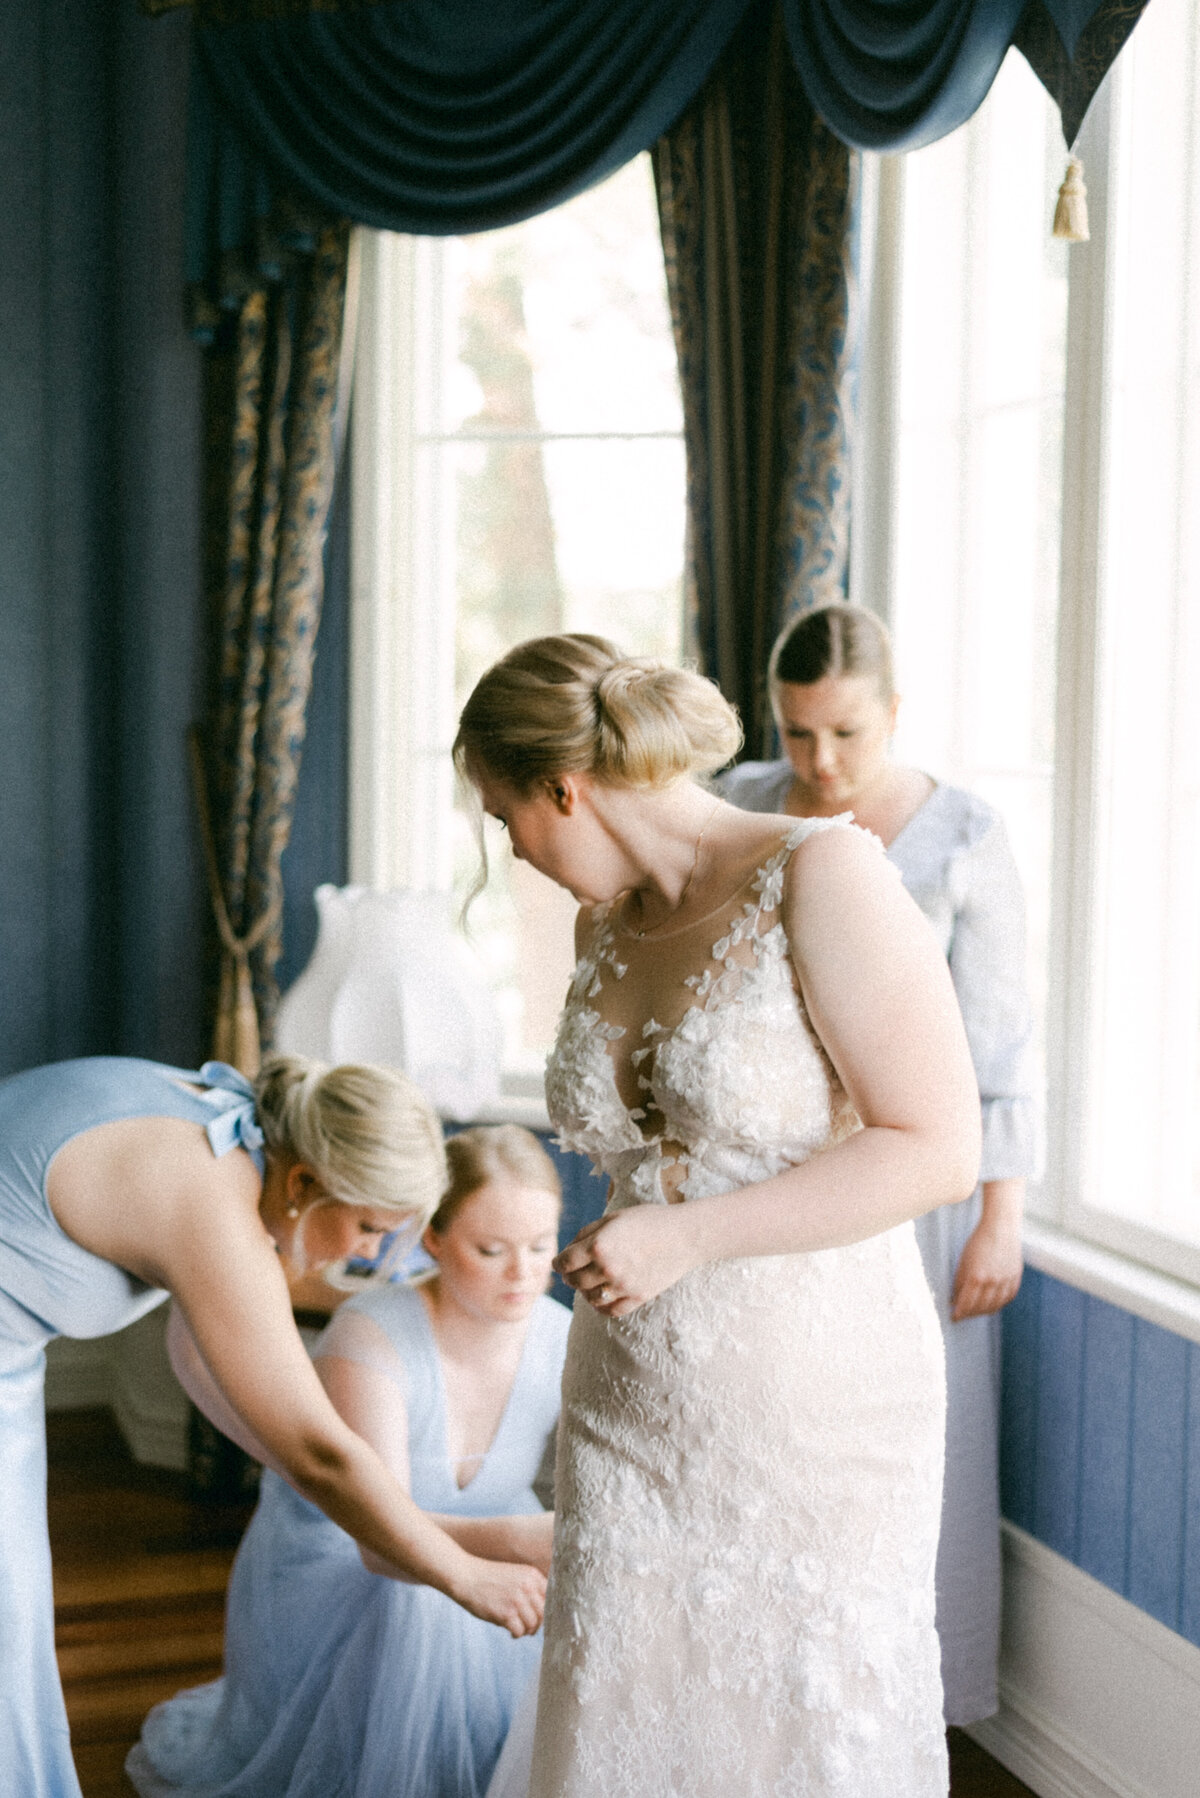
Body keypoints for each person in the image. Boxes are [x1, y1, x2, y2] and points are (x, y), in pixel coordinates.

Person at [453, 634, 982, 1797]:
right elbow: (655, 1155)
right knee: (625, 1716)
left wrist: (687, 1235)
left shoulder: (823, 874)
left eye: (507, 818)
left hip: (812, 1398)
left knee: (793, 1724)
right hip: (629, 1399)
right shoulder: (605, 925)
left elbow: (940, 1146)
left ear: (565, 786)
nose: (515, 850)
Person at [0, 1057, 547, 1798]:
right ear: (302, 1185)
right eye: (366, 1226)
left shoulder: (224, 1127)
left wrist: (314, 1478)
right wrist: (463, 1574)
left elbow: (203, 1353)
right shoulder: (213, 1206)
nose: (365, 1254)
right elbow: (323, 1453)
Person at [717, 601, 1039, 1726]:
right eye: (798, 733)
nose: (820, 761)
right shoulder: (739, 803)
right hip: (769, 1170)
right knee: (772, 1418)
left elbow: (1001, 1042)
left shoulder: (964, 837)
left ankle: (905, 1699)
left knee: (913, 1435)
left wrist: (1002, 1214)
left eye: (847, 734)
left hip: (916, 1183)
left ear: (894, 713)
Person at [127, 1123, 571, 1798]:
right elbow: (380, 1544)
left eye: (543, 1246)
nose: (524, 1274)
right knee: (418, 1605)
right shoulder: (372, 1335)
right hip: (348, 1551)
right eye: (492, 1249)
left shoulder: (561, 1336)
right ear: (434, 1240)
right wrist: (515, 1540)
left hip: (468, 1546)